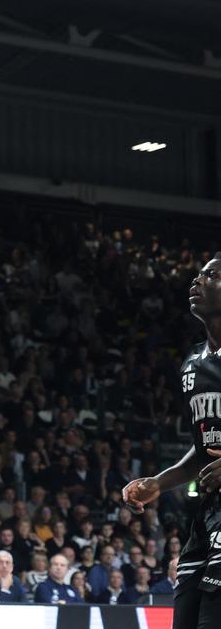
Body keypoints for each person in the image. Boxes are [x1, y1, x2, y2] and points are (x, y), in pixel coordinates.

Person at [122, 254, 221, 627]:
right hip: (208, 517)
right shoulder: (193, 363)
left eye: (211, 275)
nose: (197, 282)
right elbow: (204, 447)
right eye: (197, 275)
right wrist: (158, 484)